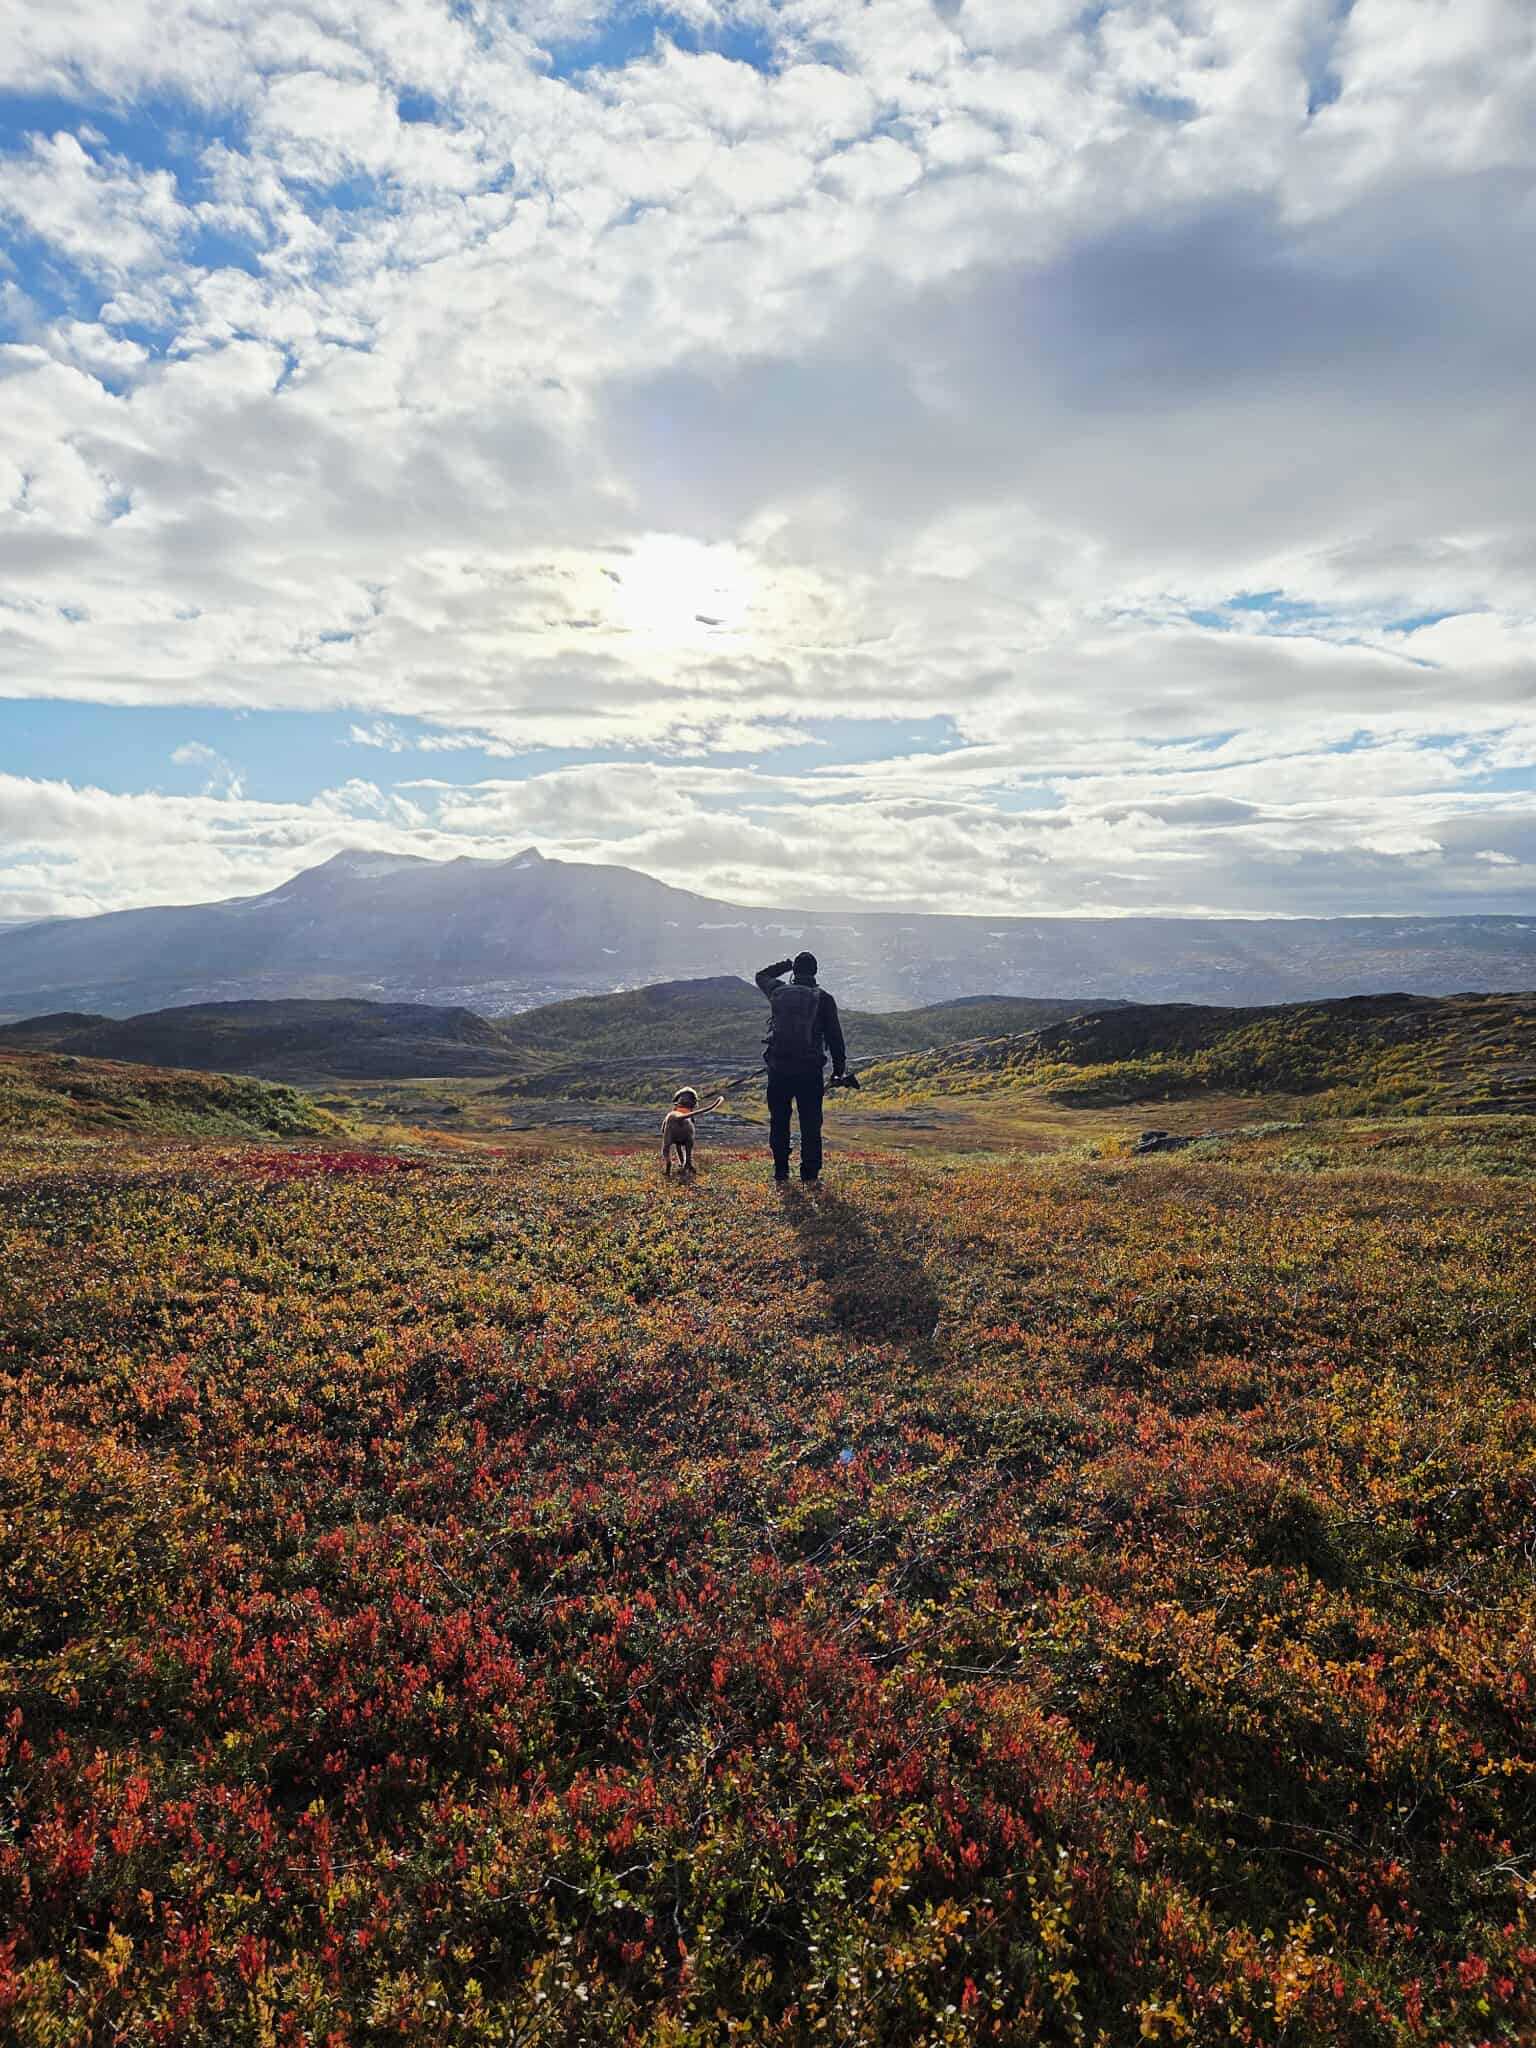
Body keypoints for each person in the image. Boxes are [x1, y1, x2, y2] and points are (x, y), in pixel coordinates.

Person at [755, 951, 849, 1184]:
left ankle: (781, 1171)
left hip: (778, 1068)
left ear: (795, 972)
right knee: (810, 1123)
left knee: (779, 1120)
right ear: (815, 972)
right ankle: (810, 1175)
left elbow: (761, 975)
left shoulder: (777, 990)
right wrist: (839, 1069)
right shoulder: (824, 999)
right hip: (809, 1071)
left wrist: (785, 964)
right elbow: (835, 1037)